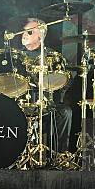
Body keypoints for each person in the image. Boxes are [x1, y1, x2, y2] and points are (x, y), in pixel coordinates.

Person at [21, 18, 73, 153]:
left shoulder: (52, 56)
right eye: (23, 32)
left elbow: (65, 81)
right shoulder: (15, 56)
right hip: (20, 103)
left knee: (65, 112)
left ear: (40, 35)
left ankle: (57, 156)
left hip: (45, 104)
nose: (24, 34)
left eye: (30, 32)